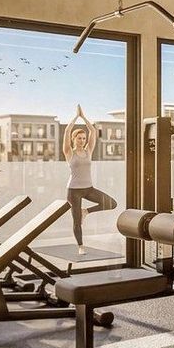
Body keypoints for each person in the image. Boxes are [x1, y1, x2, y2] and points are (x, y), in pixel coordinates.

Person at [63, 105, 117, 255]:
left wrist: (83, 117)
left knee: (112, 203)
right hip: (74, 191)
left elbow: (92, 131)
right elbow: (67, 131)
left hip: (88, 188)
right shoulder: (69, 152)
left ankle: (86, 211)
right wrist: (75, 117)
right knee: (76, 221)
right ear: (74, 139)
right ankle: (81, 246)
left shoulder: (88, 151)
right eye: (79, 138)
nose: (81, 140)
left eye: (83, 138)